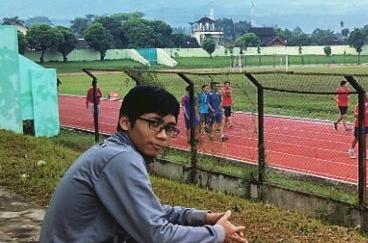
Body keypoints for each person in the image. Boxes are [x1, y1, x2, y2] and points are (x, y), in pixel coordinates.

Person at [39, 85, 247, 243]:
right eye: (154, 124)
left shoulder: (115, 152)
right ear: (126, 122)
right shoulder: (120, 158)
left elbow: (149, 212)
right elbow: (157, 235)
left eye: (169, 128)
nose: (163, 136)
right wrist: (218, 233)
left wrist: (202, 218)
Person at [348, 93, 368, 160]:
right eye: (367, 96)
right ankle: (351, 149)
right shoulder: (359, 105)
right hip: (359, 124)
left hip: (367, 124)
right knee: (357, 138)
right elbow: (355, 115)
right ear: (364, 98)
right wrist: (364, 113)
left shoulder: (367, 104)